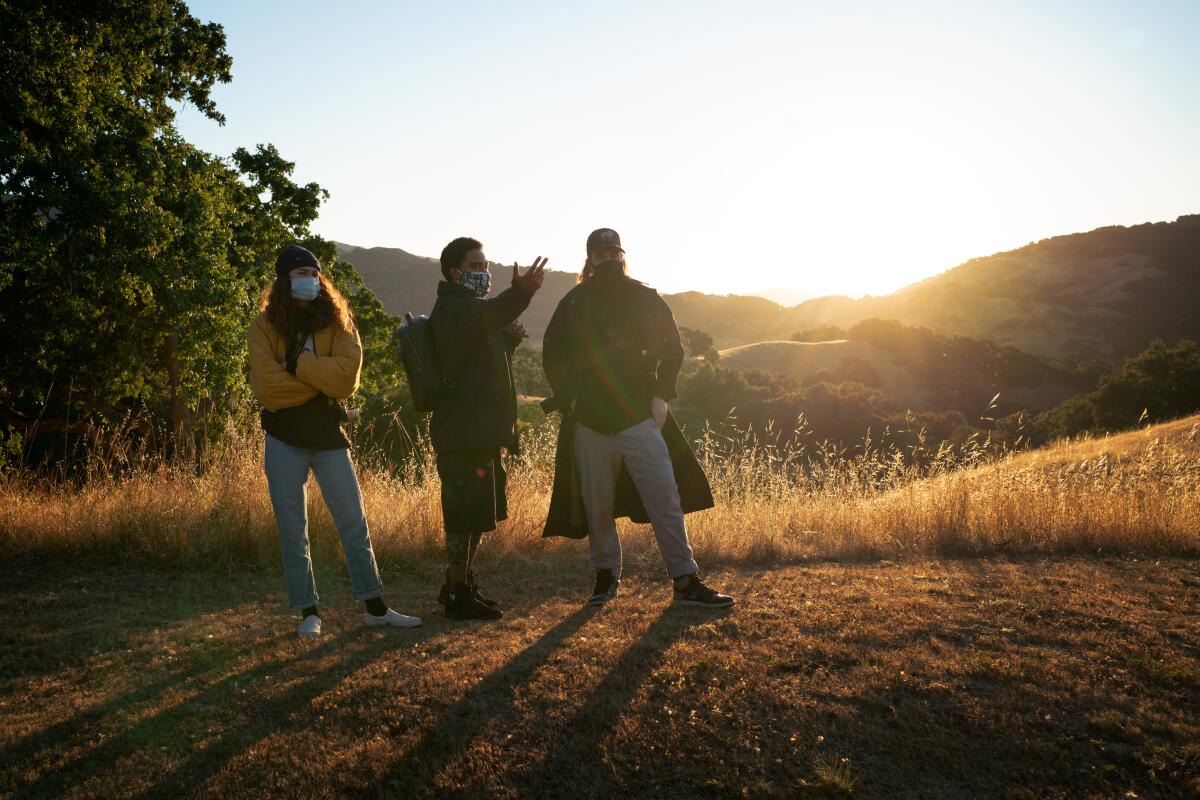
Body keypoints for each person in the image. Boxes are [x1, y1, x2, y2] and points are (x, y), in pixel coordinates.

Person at [542, 228, 734, 609]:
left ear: (622, 256)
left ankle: (685, 578)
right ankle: (605, 577)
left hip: (638, 417)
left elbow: (673, 350)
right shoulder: (574, 302)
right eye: (601, 254)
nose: (609, 260)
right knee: (597, 505)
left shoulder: (645, 298)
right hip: (590, 420)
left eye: (614, 253)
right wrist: (572, 400)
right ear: (590, 259)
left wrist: (662, 395)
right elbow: (553, 354)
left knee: (666, 499)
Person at [248, 244, 422, 637]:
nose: (308, 280)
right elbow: (267, 388)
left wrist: (296, 366)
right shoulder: (263, 327)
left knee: (353, 523)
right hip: (283, 437)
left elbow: (347, 379)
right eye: (298, 274)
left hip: (328, 436)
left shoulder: (339, 321)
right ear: (282, 281)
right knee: (293, 530)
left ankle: (375, 607)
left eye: (312, 273)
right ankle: (308, 612)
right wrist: (320, 385)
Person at [430, 237, 546, 619]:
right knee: (463, 515)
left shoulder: (468, 310)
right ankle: (457, 590)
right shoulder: (455, 308)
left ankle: (459, 585)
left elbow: (483, 366)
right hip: (463, 430)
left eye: (486, 266)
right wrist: (521, 292)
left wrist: (507, 344)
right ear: (454, 272)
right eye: (476, 267)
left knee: (477, 513)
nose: (484, 273)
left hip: (477, 429)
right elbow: (489, 315)